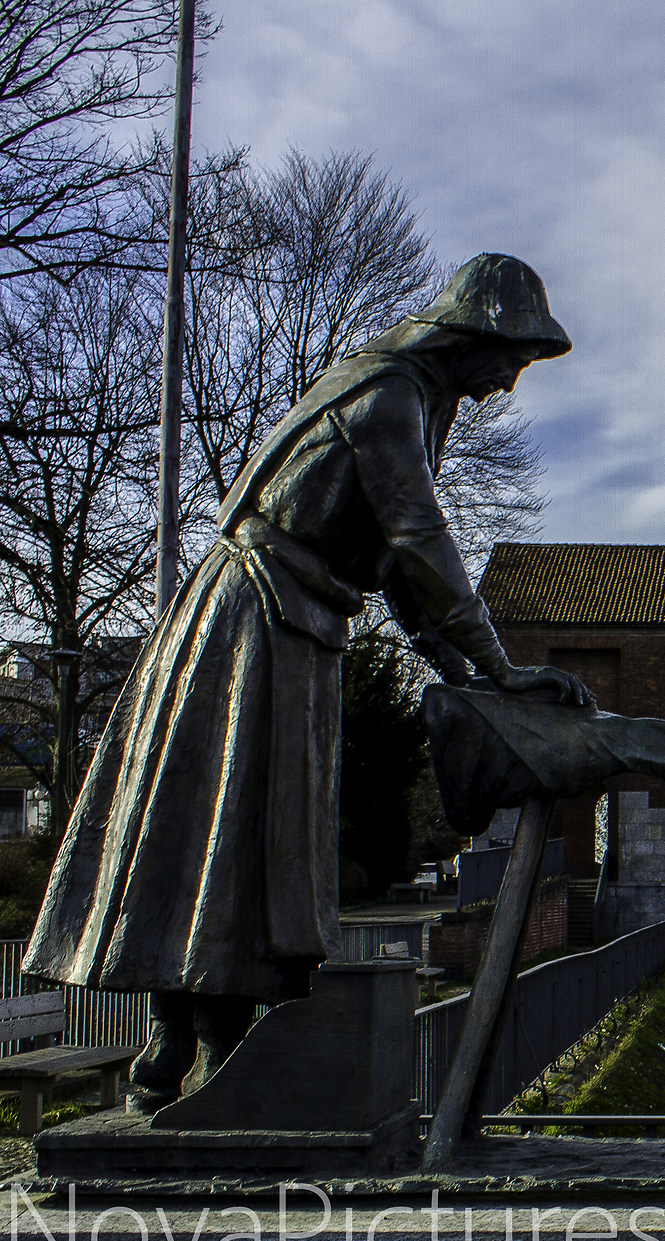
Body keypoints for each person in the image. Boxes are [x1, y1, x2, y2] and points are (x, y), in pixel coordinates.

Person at [23, 254, 591, 1109]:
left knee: (259, 835)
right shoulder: (389, 394)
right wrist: (502, 662)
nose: (511, 381)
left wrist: (465, 669)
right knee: (223, 826)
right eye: (514, 357)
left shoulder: (414, 400)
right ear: (476, 334)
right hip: (256, 616)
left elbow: (397, 572)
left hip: (297, 620)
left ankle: (200, 1043)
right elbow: (419, 540)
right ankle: (187, 1044)